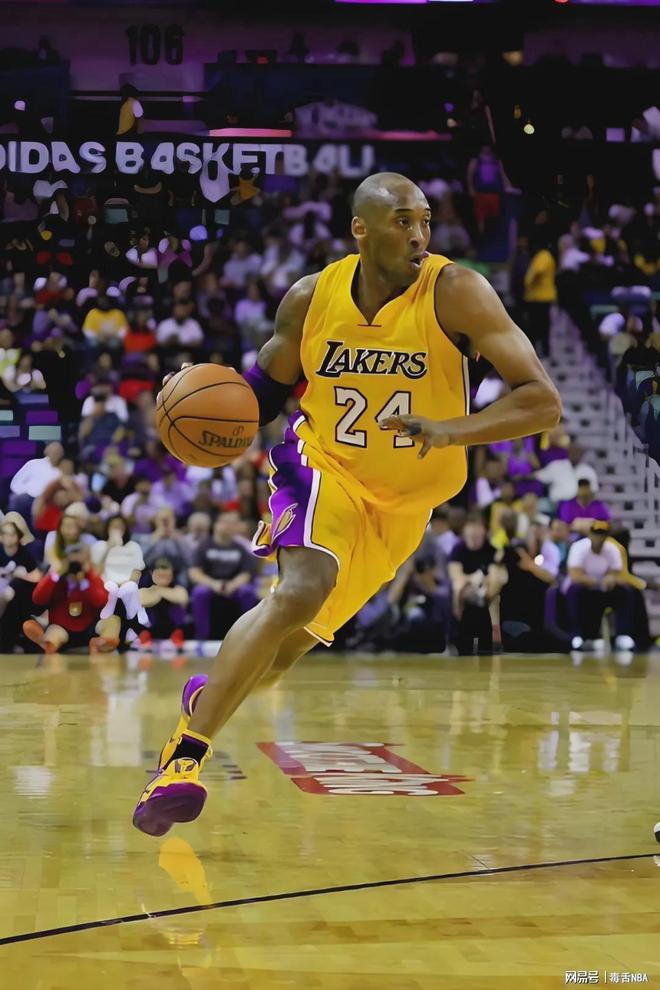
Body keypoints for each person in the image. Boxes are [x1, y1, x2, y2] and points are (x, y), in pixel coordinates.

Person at [132, 170, 560, 835]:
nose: (419, 234)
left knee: (276, 662)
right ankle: (182, 760)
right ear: (361, 229)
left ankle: (209, 693)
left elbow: (542, 401)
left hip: (404, 507)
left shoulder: (456, 291)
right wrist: (192, 392)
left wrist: (451, 430)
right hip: (323, 464)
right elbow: (261, 397)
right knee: (298, 592)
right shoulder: (311, 299)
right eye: (402, 221)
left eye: (425, 220)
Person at [564, 521, 636, 652]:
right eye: (596, 534)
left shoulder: (612, 549)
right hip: (584, 588)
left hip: (603, 589)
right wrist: (598, 582)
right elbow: (575, 576)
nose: (598, 538)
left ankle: (623, 635)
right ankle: (576, 635)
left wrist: (610, 579)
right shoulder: (579, 547)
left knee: (624, 591)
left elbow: (615, 573)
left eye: (602, 535)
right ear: (590, 535)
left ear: (606, 536)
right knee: (574, 591)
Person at [23, 543, 108, 654]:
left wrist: (85, 581)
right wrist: (55, 575)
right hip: (61, 628)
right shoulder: (55, 577)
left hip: (91, 629)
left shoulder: (91, 576)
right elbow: (38, 599)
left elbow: (101, 602)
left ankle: (103, 642)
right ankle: (48, 644)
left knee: (113, 622)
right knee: (51, 633)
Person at [188, 512, 259, 640]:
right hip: (210, 584)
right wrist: (213, 584)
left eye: (232, 523)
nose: (228, 526)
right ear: (216, 525)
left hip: (233, 586)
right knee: (200, 593)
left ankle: (245, 637)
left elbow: (246, 574)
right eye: (225, 522)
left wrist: (233, 585)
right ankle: (202, 637)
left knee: (247, 591)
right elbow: (195, 572)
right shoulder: (203, 546)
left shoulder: (241, 548)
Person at [448, 513, 507, 655]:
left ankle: (494, 634)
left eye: (477, 528)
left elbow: (496, 576)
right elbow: (456, 576)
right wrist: (473, 579)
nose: (474, 533)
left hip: (487, 594)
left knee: (496, 585)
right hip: (465, 591)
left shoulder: (493, 551)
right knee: (459, 587)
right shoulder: (458, 550)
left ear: (484, 531)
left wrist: (485, 587)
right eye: (471, 529)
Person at [90, 515, 146, 652]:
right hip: (106, 584)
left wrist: (127, 583)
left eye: (120, 527)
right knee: (112, 588)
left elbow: (137, 572)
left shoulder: (133, 546)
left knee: (130, 588)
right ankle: (107, 622)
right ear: (107, 528)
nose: (117, 530)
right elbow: (96, 572)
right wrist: (109, 547)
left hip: (127, 584)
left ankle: (132, 629)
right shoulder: (99, 546)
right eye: (113, 526)